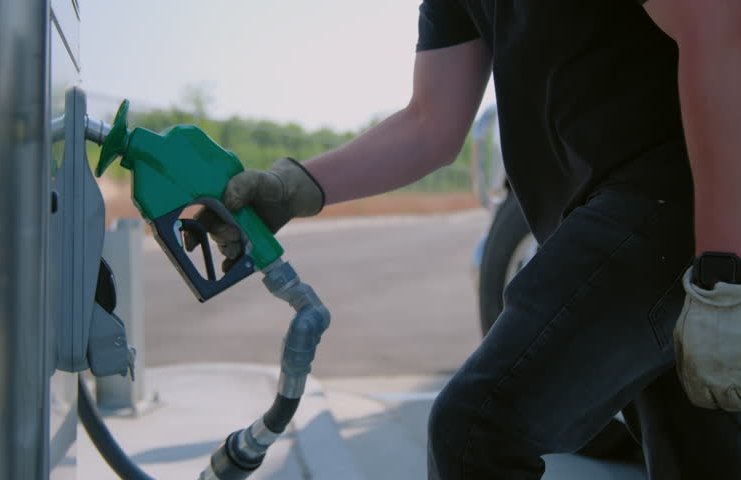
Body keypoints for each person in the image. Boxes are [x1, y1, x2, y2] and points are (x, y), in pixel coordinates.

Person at [190, 1, 741, 478]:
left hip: (686, 198)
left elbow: (715, 27)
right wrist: (293, 188)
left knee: (478, 429)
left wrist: (723, 274)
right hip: (634, 214)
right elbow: (430, 122)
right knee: (700, 458)